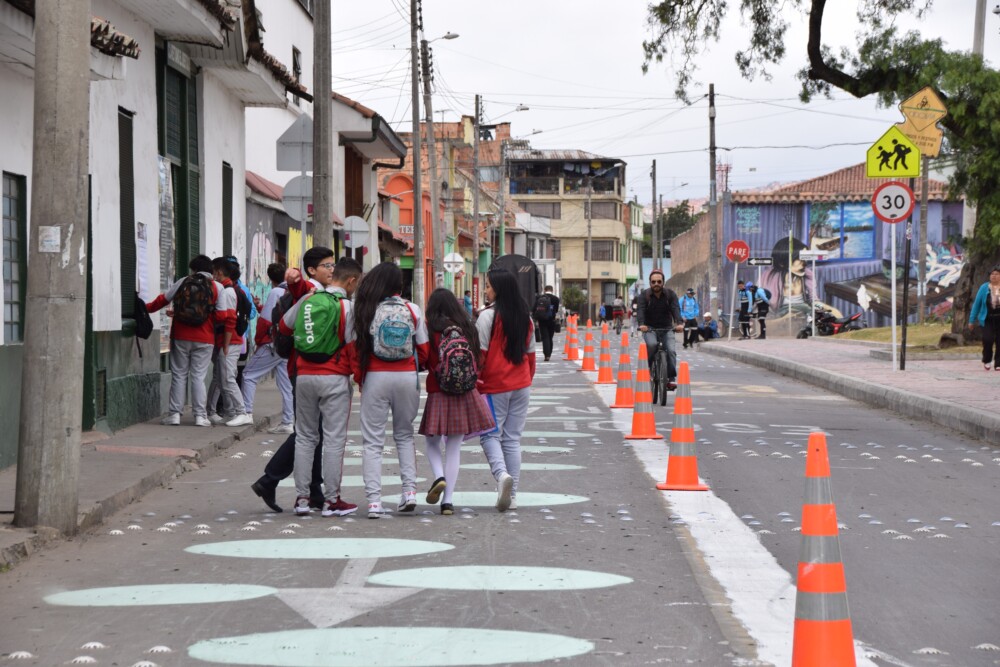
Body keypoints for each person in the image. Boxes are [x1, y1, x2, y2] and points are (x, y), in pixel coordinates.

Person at [276, 253, 362, 517]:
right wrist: (358, 379)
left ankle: (302, 499)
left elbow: (283, 326)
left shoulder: (308, 299)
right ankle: (331, 500)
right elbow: (352, 346)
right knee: (334, 439)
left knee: (304, 437)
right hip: (334, 378)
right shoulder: (347, 307)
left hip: (303, 377)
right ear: (351, 281)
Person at [353, 262, 430, 518]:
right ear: (400, 286)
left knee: (373, 442)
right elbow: (425, 350)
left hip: (375, 377)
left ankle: (374, 502)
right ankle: (409, 492)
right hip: (406, 377)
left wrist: (359, 378)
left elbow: (355, 348)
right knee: (404, 436)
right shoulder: (412, 309)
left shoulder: (366, 309)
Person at [420, 288, 495, 515]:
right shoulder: (468, 326)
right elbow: (479, 359)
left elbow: (424, 358)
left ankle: (438, 477)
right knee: (454, 446)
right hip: (465, 391)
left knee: (432, 442)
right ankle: (448, 502)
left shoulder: (431, 327)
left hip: (438, 390)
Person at [477, 268, 536, 512]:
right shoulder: (526, 317)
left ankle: (502, 476)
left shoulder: (486, 317)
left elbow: (480, 356)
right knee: (512, 439)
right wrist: (525, 379)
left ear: (498, 289)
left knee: (490, 435)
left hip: (494, 386)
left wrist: (477, 383)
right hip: (521, 384)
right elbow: (531, 356)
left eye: (488, 286)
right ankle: (513, 495)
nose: (486, 290)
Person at [146, 255, 225, 426]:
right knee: (198, 376)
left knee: (179, 375)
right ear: (211, 270)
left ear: (194, 269)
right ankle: (200, 416)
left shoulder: (183, 281)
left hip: (181, 335)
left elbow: (163, 299)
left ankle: (174, 415)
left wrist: (145, 309)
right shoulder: (217, 286)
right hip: (205, 338)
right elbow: (222, 316)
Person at [240, 263, 294, 434]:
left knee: (248, 375)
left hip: (272, 342)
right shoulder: (292, 292)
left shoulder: (275, 292)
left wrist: (259, 341)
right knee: (286, 385)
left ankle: (246, 412)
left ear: (270, 279)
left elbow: (266, 321)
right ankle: (288, 421)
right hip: (287, 343)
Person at [207, 257, 252, 426]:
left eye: (214, 272)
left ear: (219, 272)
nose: (213, 276)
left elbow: (230, 320)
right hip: (231, 341)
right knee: (222, 378)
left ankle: (241, 412)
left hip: (230, 341)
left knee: (227, 379)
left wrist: (225, 345)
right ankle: (231, 412)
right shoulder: (233, 290)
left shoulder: (227, 292)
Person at [636, 269, 683, 390]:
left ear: (663, 282)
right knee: (651, 345)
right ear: (650, 283)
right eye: (653, 282)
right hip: (649, 329)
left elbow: (675, 309)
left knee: (671, 351)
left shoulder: (670, 295)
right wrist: (642, 324)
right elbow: (640, 310)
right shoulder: (644, 295)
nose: (656, 284)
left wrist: (679, 323)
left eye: (659, 281)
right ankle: (649, 369)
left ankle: (671, 379)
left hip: (667, 328)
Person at [969, 265, 1000, 371]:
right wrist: (971, 320)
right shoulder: (984, 287)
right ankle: (987, 360)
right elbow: (976, 305)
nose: (994, 276)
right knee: (988, 339)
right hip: (987, 319)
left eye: (996, 274)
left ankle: (998, 363)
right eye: (992, 274)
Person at [532, 285, 560, 361]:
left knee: (545, 337)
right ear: (552, 290)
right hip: (551, 320)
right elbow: (556, 310)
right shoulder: (556, 299)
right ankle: (549, 353)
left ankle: (546, 355)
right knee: (550, 337)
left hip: (542, 320)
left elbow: (534, 309)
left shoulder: (539, 298)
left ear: (544, 290)